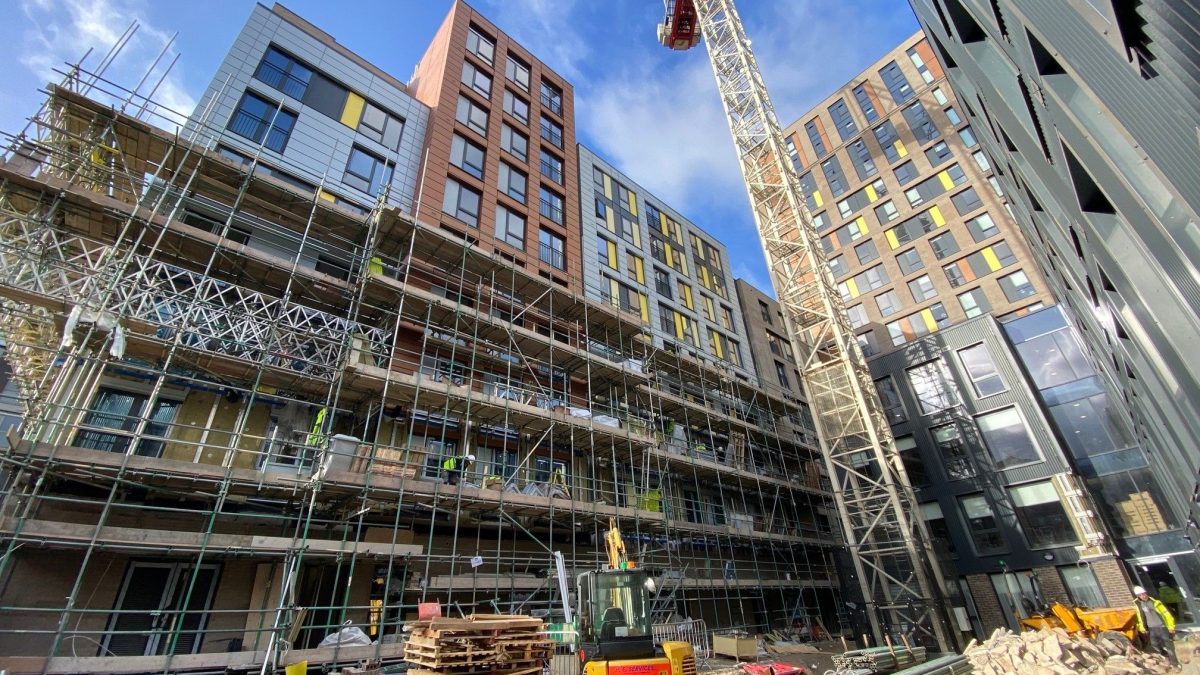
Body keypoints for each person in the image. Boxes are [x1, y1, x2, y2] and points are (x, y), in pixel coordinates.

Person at [1133, 585, 1179, 669]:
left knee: (1169, 646)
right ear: (1138, 596)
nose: (1143, 596)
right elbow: (1140, 618)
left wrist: (1171, 627)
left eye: (1144, 594)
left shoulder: (1156, 603)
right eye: (1141, 595)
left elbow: (1167, 615)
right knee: (1155, 645)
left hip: (1162, 627)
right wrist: (1142, 628)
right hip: (1151, 629)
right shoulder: (1139, 605)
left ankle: (1175, 664)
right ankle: (1166, 656)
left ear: (1146, 593)